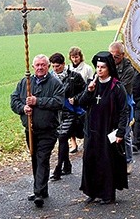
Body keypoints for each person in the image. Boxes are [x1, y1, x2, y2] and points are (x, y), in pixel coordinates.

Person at [10, 54, 64, 208]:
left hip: (48, 129)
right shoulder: (25, 82)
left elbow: (59, 102)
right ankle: (42, 188)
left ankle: (38, 192)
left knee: (42, 158)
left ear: (47, 66)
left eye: (43, 65)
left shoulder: (55, 83)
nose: (40, 67)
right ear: (33, 67)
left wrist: (37, 101)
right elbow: (14, 100)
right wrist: (23, 108)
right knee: (35, 158)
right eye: (37, 65)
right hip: (31, 130)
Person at [77, 52, 129, 204]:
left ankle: (107, 194)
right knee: (90, 160)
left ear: (109, 69)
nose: (99, 70)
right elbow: (81, 103)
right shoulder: (92, 84)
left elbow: (124, 111)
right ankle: (91, 191)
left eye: (103, 67)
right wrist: (89, 91)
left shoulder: (116, 87)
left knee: (106, 161)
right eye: (97, 67)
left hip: (109, 130)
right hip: (92, 130)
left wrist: (120, 132)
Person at [48, 52, 86, 181]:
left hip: (70, 113)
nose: (55, 69)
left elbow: (85, 92)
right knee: (61, 139)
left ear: (64, 64)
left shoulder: (74, 77)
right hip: (55, 114)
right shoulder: (50, 78)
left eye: (57, 66)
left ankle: (58, 168)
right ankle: (67, 165)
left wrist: (75, 98)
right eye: (53, 66)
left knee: (63, 136)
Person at [109, 41, 136, 174]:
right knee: (110, 135)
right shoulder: (106, 66)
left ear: (123, 55)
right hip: (109, 106)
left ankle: (129, 161)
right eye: (111, 56)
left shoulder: (129, 70)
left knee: (124, 135)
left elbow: (121, 90)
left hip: (123, 105)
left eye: (117, 56)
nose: (113, 59)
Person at [68, 46, 93, 154]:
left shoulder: (87, 68)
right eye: (72, 57)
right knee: (70, 121)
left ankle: (86, 139)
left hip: (82, 98)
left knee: (84, 120)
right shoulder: (68, 68)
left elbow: (89, 85)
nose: (75, 59)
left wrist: (78, 98)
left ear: (80, 57)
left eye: (76, 57)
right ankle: (73, 143)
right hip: (70, 100)